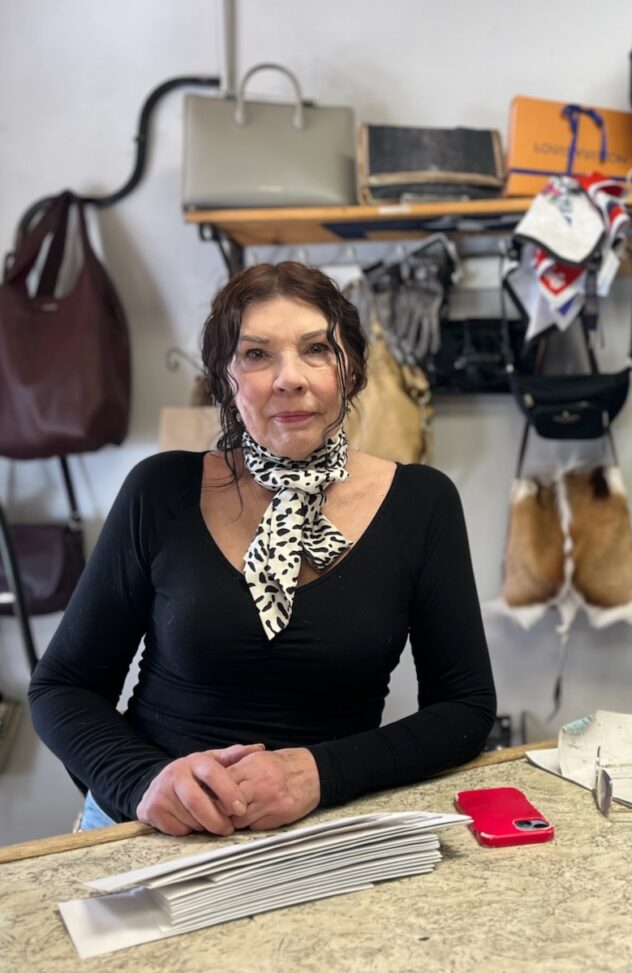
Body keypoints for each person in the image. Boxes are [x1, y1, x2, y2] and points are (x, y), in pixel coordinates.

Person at [29, 262, 496, 837]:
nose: (289, 378)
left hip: (325, 831)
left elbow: (465, 711)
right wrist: (145, 782)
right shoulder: (160, 491)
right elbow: (62, 687)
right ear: (224, 379)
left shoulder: (423, 503)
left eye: (316, 349)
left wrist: (319, 773)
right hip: (150, 826)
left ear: (350, 371)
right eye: (256, 354)